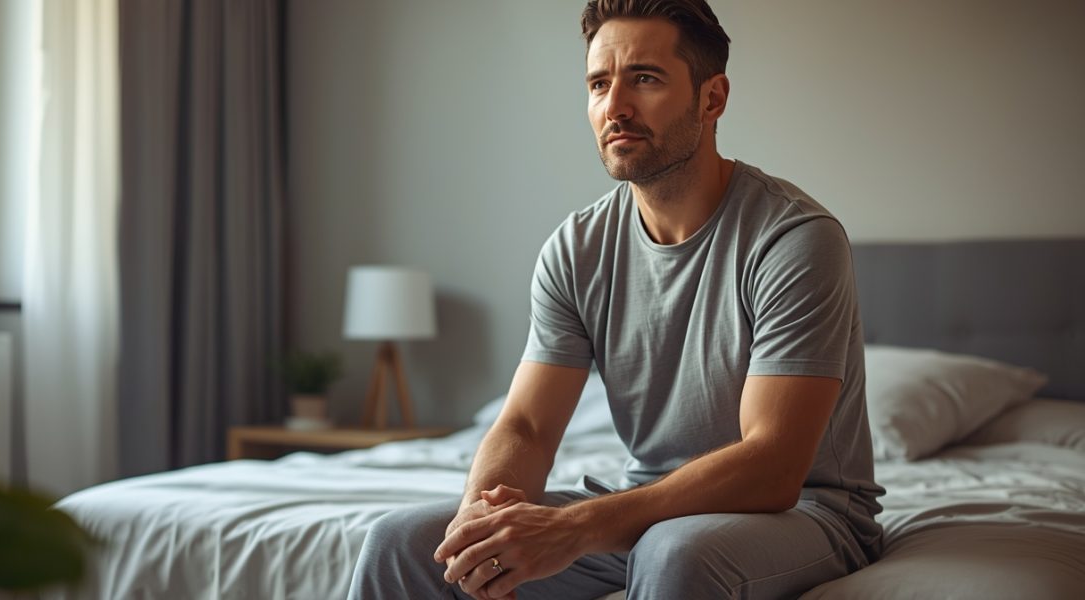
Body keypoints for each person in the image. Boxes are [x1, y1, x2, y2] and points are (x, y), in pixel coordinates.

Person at [349, 0, 883, 598]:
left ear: (712, 98)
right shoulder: (576, 248)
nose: (615, 107)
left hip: (804, 514)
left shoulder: (794, 238)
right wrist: (481, 521)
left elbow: (773, 465)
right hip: (641, 509)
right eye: (599, 84)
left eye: (645, 79)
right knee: (401, 543)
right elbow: (527, 425)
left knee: (674, 551)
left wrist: (578, 527)